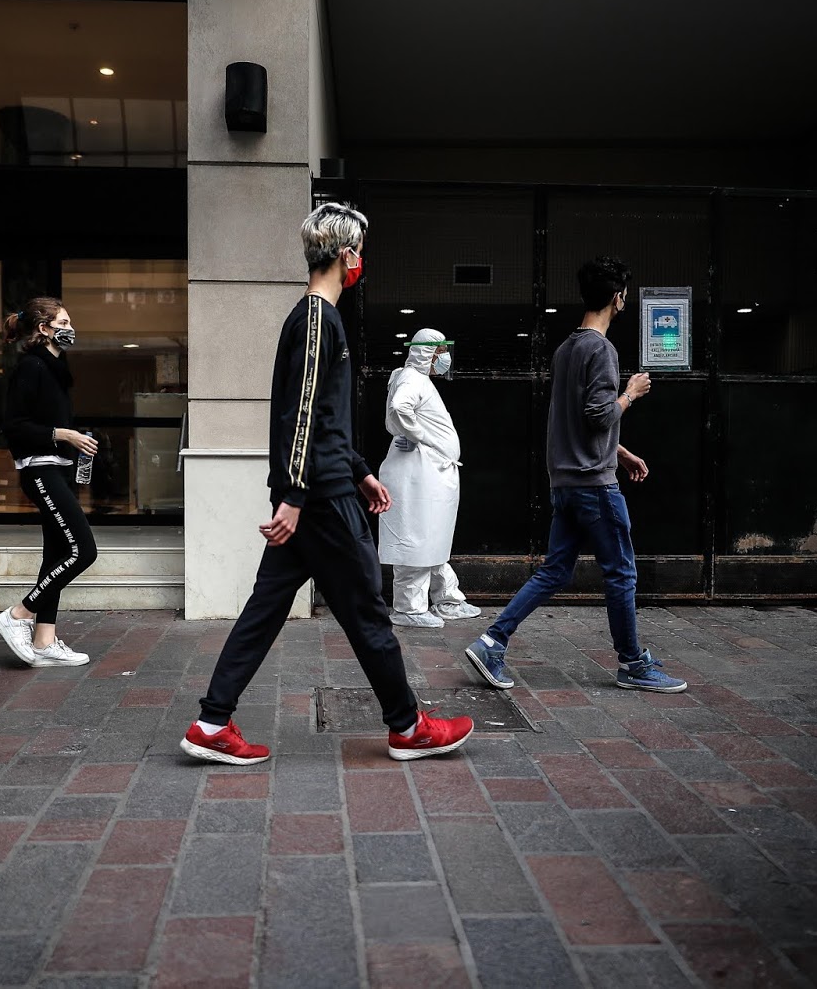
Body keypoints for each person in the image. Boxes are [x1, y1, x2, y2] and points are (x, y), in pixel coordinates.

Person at [180, 203, 474, 765]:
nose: (361, 261)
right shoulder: (318, 319)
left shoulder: (315, 317)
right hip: (321, 501)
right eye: (359, 252)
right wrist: (296, 495)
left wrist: (360, 470)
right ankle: (408, 727)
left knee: (265, 610)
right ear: (345, 254)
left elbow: (326, 418)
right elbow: (302, 412)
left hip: (322, 491)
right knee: (367, 613)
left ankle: (211, 723)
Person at [463, 257, 686, 695]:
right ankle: (632, 664)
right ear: (618, 299)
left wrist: (620, 452)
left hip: (566, 483)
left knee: (554, 571)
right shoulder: (602, 350)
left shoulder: (567, 348)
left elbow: (573, 419)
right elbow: (599, 415)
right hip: (594, 486)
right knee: (621, 573)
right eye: (625, 296)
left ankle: (491, 642)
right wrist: (631, 393)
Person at [0, 296, 97, 668]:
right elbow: (14, 426)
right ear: (44, 328)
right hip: (39, 470)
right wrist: (63, 434)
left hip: (59, 469)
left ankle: (44, 641)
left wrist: (76, 442)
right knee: (83, 551)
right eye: (63, 323)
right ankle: (17, 614)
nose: (70, 329)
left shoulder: (55, 367)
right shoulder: (31, 366)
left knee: (55, 555)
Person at [377, 328, 481, 628]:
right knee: (417, 539)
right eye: (440, 352)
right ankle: (408, 608)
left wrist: (414, 435)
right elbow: (399, 407)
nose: (444, 358)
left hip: (430, 472)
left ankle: (447, 599)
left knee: (432, 537)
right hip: (419, 473)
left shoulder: (415, 378)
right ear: (427, 353)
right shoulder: (412, 378)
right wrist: (416, 435)